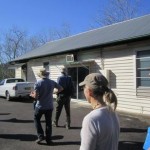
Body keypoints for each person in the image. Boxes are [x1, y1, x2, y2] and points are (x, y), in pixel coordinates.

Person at [79, 73, 120, 150]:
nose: (83, 90)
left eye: (84, 87)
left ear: (89, 91)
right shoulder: (113, 112)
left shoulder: (91, 119)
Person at [31, 68, 63, 145]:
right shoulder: (52, 82)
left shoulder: (38, 83)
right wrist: (55, 92)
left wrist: (31, 94)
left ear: (40, 75)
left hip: (40, 106)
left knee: (36, 119)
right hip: (49, 106)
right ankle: (48, 139)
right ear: (46, 74)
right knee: (48, 122)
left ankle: (40, 136)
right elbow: (61, 88)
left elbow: (35, 97)